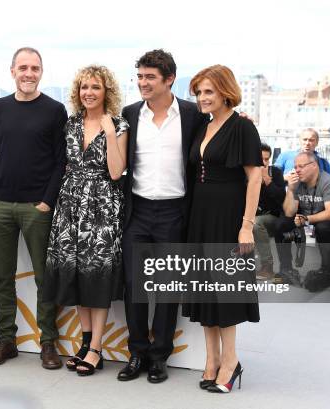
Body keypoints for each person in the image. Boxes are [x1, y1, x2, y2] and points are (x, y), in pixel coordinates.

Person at [118, 49, 208, 384]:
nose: (142, 83)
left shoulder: (192, 114)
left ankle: (159, 358)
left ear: (169, 79)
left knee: (168, 288)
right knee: (134, 287)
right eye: (140, 76)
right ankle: (137, 353)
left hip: (174, 213)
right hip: (138, 211)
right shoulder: (129, 113)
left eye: (149, 77)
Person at [0, 47, 68, 369]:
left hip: (37, 207)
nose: (28, 73)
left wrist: (47, 201)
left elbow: (61, 161)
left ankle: (48, 342)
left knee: (45, 278)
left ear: (41, 72)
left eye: (34, 68)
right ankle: (7, 340)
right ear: (12, 71)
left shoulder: (55, 110)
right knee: (3, 277)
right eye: (23, 67)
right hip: (0, 206)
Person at [182, 64, 262, 393]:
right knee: (204, 291)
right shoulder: (205, 125)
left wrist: (246, 226)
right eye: (199, 92)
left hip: (228, 217)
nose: (202, 98)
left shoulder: (241, 128)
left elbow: (255, 176)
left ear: (225, 92)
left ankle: (230, 360)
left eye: (209, 91)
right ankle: (211, 359)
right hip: (200, 216)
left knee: (225, 292)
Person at [43, 65, 128, 376]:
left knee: (97, 275)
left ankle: (96, 349)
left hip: (102, 207)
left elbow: (117, 171)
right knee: (77, 274)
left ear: (107, 91)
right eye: (84, 87)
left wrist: (108, 131)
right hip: (70, 204)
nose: (89, 92)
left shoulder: (119, 125)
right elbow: (59, 163)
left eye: (95, 87)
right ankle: (85, 342)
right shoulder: (71, 124)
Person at [273, 151, 330, 291]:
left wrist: (306, 219)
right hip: (305, 219)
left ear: (314, 166)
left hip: (328, 221)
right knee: (281, 224)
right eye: (295, 167)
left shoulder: (328, 182)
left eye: (301, 166)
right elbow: (289, 212)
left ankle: (326, 270)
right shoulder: (297, 182)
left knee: (324, 227)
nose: (296, 170)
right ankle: (286, 268)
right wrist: (291, 190)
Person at [254, 143, 285, 280]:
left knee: (256, 223)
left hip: (272, 216)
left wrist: (267, 180)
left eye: (267, 159)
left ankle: (267, 266)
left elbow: (281, 198)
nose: (263, 162)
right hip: (250, 214)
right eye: (260, 159)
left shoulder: (275, 173)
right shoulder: (245, 173)